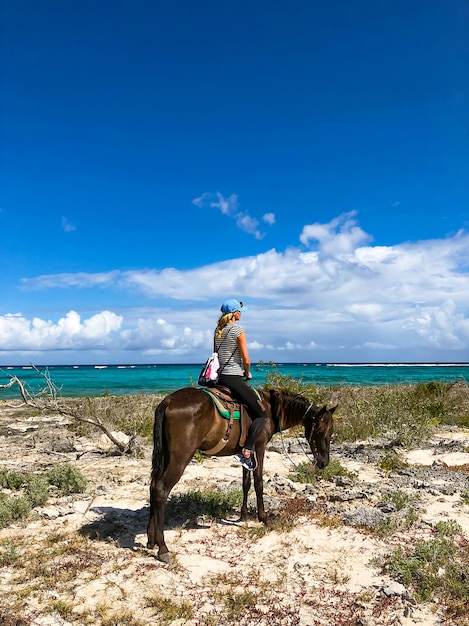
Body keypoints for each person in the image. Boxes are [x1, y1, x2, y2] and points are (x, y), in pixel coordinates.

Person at [214, 299, 267, 471]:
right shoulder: (238, 329)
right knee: (262, 414)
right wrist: (247, 372)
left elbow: (215, 355)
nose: (241, 314)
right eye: (240, 311)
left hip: (220, 377)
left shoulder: (218, 330)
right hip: (233, 376)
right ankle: (246, 451)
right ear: (235, 313)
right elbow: (246, 359)